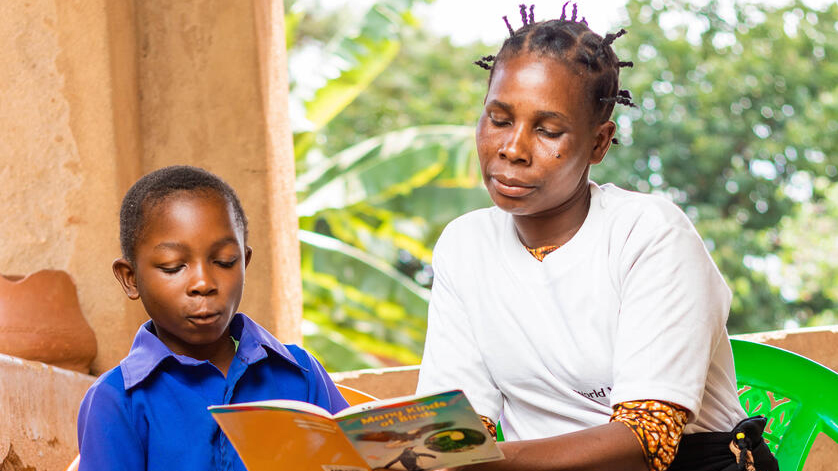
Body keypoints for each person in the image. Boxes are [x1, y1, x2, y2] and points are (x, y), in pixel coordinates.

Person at [416, 4, 778, 471]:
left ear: (599, 142)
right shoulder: (464, 247)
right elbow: (457, 430)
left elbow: (647, 443)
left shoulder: (649, 235)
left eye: (548, 130)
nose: (513, 149)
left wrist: (477, 461)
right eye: (500, 119)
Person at [77, 166, 348, 470]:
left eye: (224, 262)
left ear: (244, 263)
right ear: (131, 279)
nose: (203, 283)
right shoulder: (117, 400)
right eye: (172, 266)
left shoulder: (300, 373)